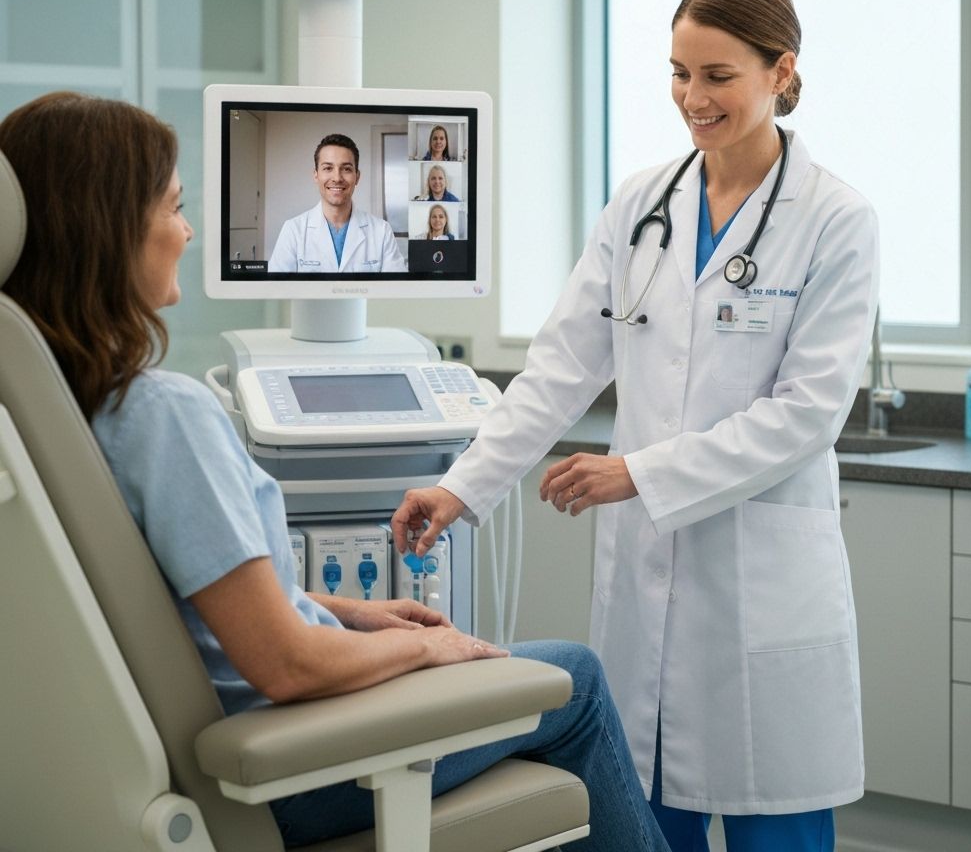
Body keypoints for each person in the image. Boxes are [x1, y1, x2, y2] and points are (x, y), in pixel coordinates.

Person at [0, 90, 671, 852]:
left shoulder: (51, 409)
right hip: (299, 757)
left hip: (210, 742)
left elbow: (174, 594)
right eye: (174, 207)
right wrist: (426, 648)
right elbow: (286, 663)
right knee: (575, 679)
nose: (187, 231)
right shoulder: (160, 413)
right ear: (108, 230)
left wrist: (355, 613)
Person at [393, 0, 880, 852]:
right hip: (645, 580)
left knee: (781, 828)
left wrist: (638, 473)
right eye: (678, 72)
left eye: (718, 76)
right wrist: (463, 488)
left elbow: (807, 414)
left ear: (781, 72)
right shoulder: (642, 206)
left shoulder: (837, 220)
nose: (692, 98)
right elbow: (559, 368)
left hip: (761, 576)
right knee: (645, 820)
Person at [268, 133, 405, 272]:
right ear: (316, 175)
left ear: (357, 177)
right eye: (328, 168)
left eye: (346, 169)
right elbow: (277, 290)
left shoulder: (381, 231)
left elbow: (396, 290)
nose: (337, 178)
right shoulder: (293, 230)